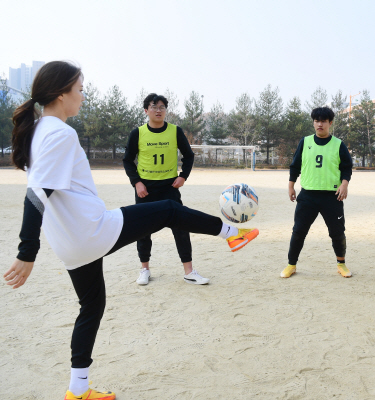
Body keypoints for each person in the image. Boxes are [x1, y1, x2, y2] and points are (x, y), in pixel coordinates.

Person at [3, 61, 258, 400]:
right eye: (80, 89)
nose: (83, 96)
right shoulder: (60, 133)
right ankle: (232, 234)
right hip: (93, 231)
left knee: (91, 306)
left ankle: (78, 390)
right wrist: (26, 252)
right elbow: (37, 194)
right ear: (62, 94)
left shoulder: (38, 131)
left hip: (69, 243)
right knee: (169, 209)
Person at [123, 93, 208, 286]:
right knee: (142, 230)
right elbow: (127, 160)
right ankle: (144, 269)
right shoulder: (137, 133)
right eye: (154, 107)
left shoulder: (175, 131)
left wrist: (183, 176)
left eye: (162, 107)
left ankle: (189, 272)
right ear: (146, 111)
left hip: (169, 188)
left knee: (181, 227)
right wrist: (136, 182)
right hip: (145, 189)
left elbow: (188, 155)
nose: (158, 110)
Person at [281, 106, 353, 278]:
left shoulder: (338, 144)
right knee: (298, 231)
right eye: (317, 121)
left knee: (337, 233)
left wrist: (344, 184)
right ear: (313, 123)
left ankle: (341, 264)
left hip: (332, 197)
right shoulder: (305, 142)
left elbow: (347, 167)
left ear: (330, 123)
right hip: (308, 196)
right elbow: (295, 165)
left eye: (324, 121)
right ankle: (291, 265)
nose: (320, 124)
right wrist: (291, 186)